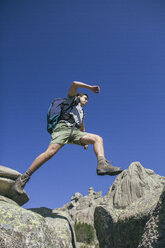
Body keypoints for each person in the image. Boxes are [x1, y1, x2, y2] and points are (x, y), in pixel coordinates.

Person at [14, 81, 122, 194]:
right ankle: (23, 179)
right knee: (50, 152)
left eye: (87, 99)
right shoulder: (71, 100)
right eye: (85, 98)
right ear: (78, 97)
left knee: (97, 139)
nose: (86, 100)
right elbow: (74, 84)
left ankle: (102, 164)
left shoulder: (82, 112)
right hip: (63, 128)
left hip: (75, 132)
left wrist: (85, 142)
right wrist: (90, 88)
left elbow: (81, 127)